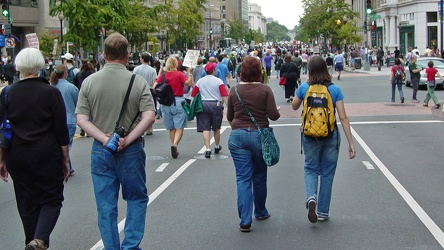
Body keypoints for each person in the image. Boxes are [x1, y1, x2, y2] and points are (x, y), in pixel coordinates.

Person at [75, 33, 156, 250]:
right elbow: (149, 115)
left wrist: (104, 137)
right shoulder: (137, 82)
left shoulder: (89, 82)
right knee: (136, 199)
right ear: (127, 55)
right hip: (131, 150)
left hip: (102, 150)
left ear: (103, 55)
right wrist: (128, 138)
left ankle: (111, 247)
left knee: (106, 207)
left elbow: (81, 119)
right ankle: (130, 245)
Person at [0, 47, 71, 249]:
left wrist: (2, 158)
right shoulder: (51, 93)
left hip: (17, 155)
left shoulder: (7, 93)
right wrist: (65, 158)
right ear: (40, 66)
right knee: (52, 198)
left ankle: (32, 241)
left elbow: (2, 128)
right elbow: (61, 130)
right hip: (45, 153)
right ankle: (39, 240)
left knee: (26, 203)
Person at [291, 55, 356, 223]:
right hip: (330, 134)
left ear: (310, 70)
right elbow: (343, 117)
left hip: (309, 135)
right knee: (327, 173)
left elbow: (294, 106)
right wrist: (350, 142)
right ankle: (323, 211)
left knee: (310, 168)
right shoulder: (334, 90)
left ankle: (311, 197)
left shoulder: (305, 88)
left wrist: (303, 90)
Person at [226, 56, 280, 232]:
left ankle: (244, 220)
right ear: (259, 71)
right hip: (259, 136)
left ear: (242, 71)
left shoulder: (234, 90)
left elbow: (229, 116)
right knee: (259, 176)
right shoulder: (265, 90)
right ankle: (261, 211)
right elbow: (273, 115)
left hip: (238, 136)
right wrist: (275, 111)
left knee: (243, 178)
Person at [154, 57, 193, 159]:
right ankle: (175, 145)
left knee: (171, 128)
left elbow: (154, 86)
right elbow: (188, 83)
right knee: (179, 126)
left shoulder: (163, 76)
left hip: (165, 103)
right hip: (178, 101)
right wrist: (189, 73)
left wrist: (159, 74)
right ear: (176, 64)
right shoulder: (179, 74)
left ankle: (174, 145)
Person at [191, 62, 228, 158]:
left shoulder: (200, 81)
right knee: (216, 127)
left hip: (203, 105)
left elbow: (194, 94)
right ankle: (216, 145)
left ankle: (207, 149)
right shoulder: (218, 81)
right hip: (216, 104)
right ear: (214, 71)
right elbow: (224, 94)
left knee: (205, 128)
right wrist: (228, 106)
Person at [49, 64, 79, 176]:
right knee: (66, 145)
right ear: (65, 73)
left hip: (54, 120)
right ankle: (64, 167)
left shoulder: (51, 87)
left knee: (59, 144)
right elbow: (78, 104)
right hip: (69, 119)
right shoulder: (71, 87)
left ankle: (68, 167)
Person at [133, 52, 158, 135]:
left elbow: (134, 81)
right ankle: (149, 128)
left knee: (139, 109)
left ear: (142, 59)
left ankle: (140, 128)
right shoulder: (152, 70)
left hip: (138, 90)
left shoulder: (136, 69)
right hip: (149, 90)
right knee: (149, 109)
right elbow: (154, 82)